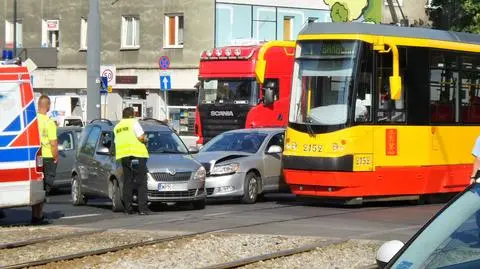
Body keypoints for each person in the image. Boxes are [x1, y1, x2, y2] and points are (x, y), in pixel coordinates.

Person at [114, 107, 151, 215]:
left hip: (124, 156)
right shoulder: (134, 123)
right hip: (138, 155)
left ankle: (128, 209)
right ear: (132, 115)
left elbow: (116, 142)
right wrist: (146, 139)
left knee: (127, 182)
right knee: (141, 182)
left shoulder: (117, 127)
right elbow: (140, 137)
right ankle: (142, 209)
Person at [35, 95, 58, 225]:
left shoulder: (33, 121)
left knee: (38, 186)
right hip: (48, 157)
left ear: (38, 105)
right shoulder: (49, 123)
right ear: (48, 106)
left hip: (36, 157)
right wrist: (56, 157)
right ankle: (39, 215)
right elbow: (53, 143)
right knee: (45, 187)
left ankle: (35, 214)